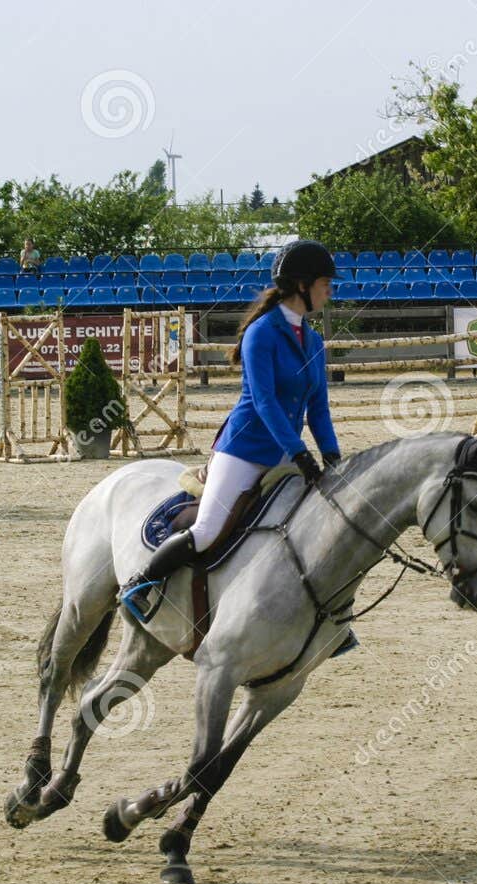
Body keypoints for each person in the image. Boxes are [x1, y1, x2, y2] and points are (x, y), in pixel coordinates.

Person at [119, 239, 343, 625]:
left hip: (287, 452)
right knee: (206, 531)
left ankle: (323, 622)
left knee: (316, 526)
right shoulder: (262, 333)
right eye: (325, 282)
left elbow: (318, 408)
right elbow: (264, 402)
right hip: (245, 450)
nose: (330, 289)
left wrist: (332, 456)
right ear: (302, 285)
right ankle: (141, 585)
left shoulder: (315, 340)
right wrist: (301, 453)